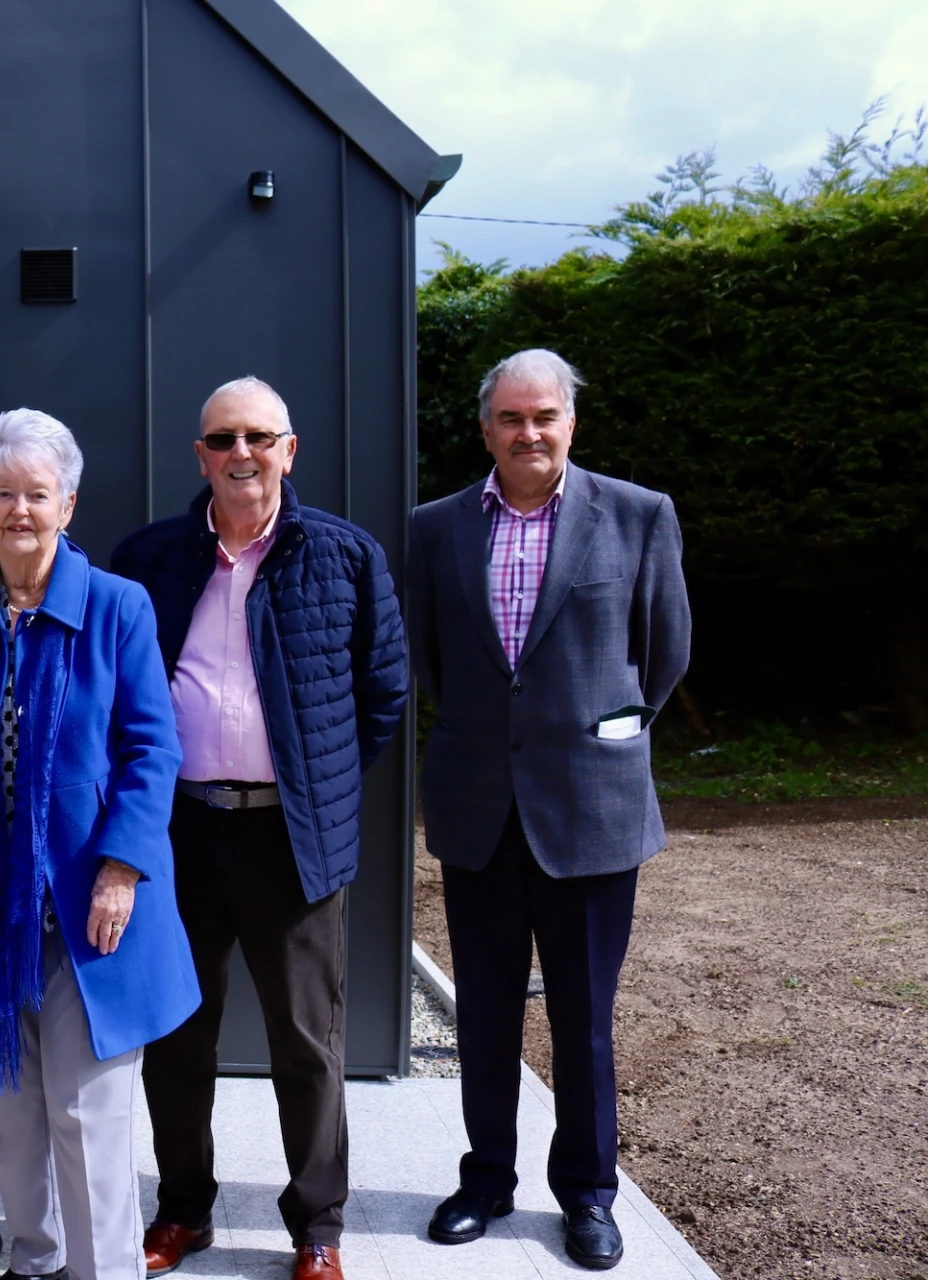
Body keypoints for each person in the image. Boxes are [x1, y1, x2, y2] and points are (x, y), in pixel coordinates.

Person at [114, 376, 408, 1280]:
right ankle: (182, 1211)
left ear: (289, 449)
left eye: (258, 436)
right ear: (200, 455)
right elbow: (121, 690)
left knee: (307, 1042)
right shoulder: (150, 556)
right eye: (222, 438)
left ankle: (317, 1228)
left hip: (292, 837)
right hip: (178, 834)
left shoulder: (345, 556)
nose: (241, 452)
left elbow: (385, 692)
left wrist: (316, 785)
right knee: (175, 1035)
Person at [0, 409, 200, 1280]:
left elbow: (154, 747)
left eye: (39, 494)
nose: (20, 510)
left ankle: (102, 1270)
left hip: (86, 906)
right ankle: (36, 1261)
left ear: (68, 505)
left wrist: (121, 866)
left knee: (87, 1110)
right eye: (3, 494)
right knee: (8, 1107)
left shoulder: (116, 606)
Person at [409, 349, 690, 1272]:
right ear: (484, 427)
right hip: (479, 809)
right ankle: (486, 1181)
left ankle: (589, 1196)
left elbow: (663, 653)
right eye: (510, 419)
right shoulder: (436, 527)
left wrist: (597, 734)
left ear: (571, 422)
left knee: (585, 1018)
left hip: (592, 812)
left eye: (545, 417)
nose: (528, 434)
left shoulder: (639, 516)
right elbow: (435, 661)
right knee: (484, 1015)